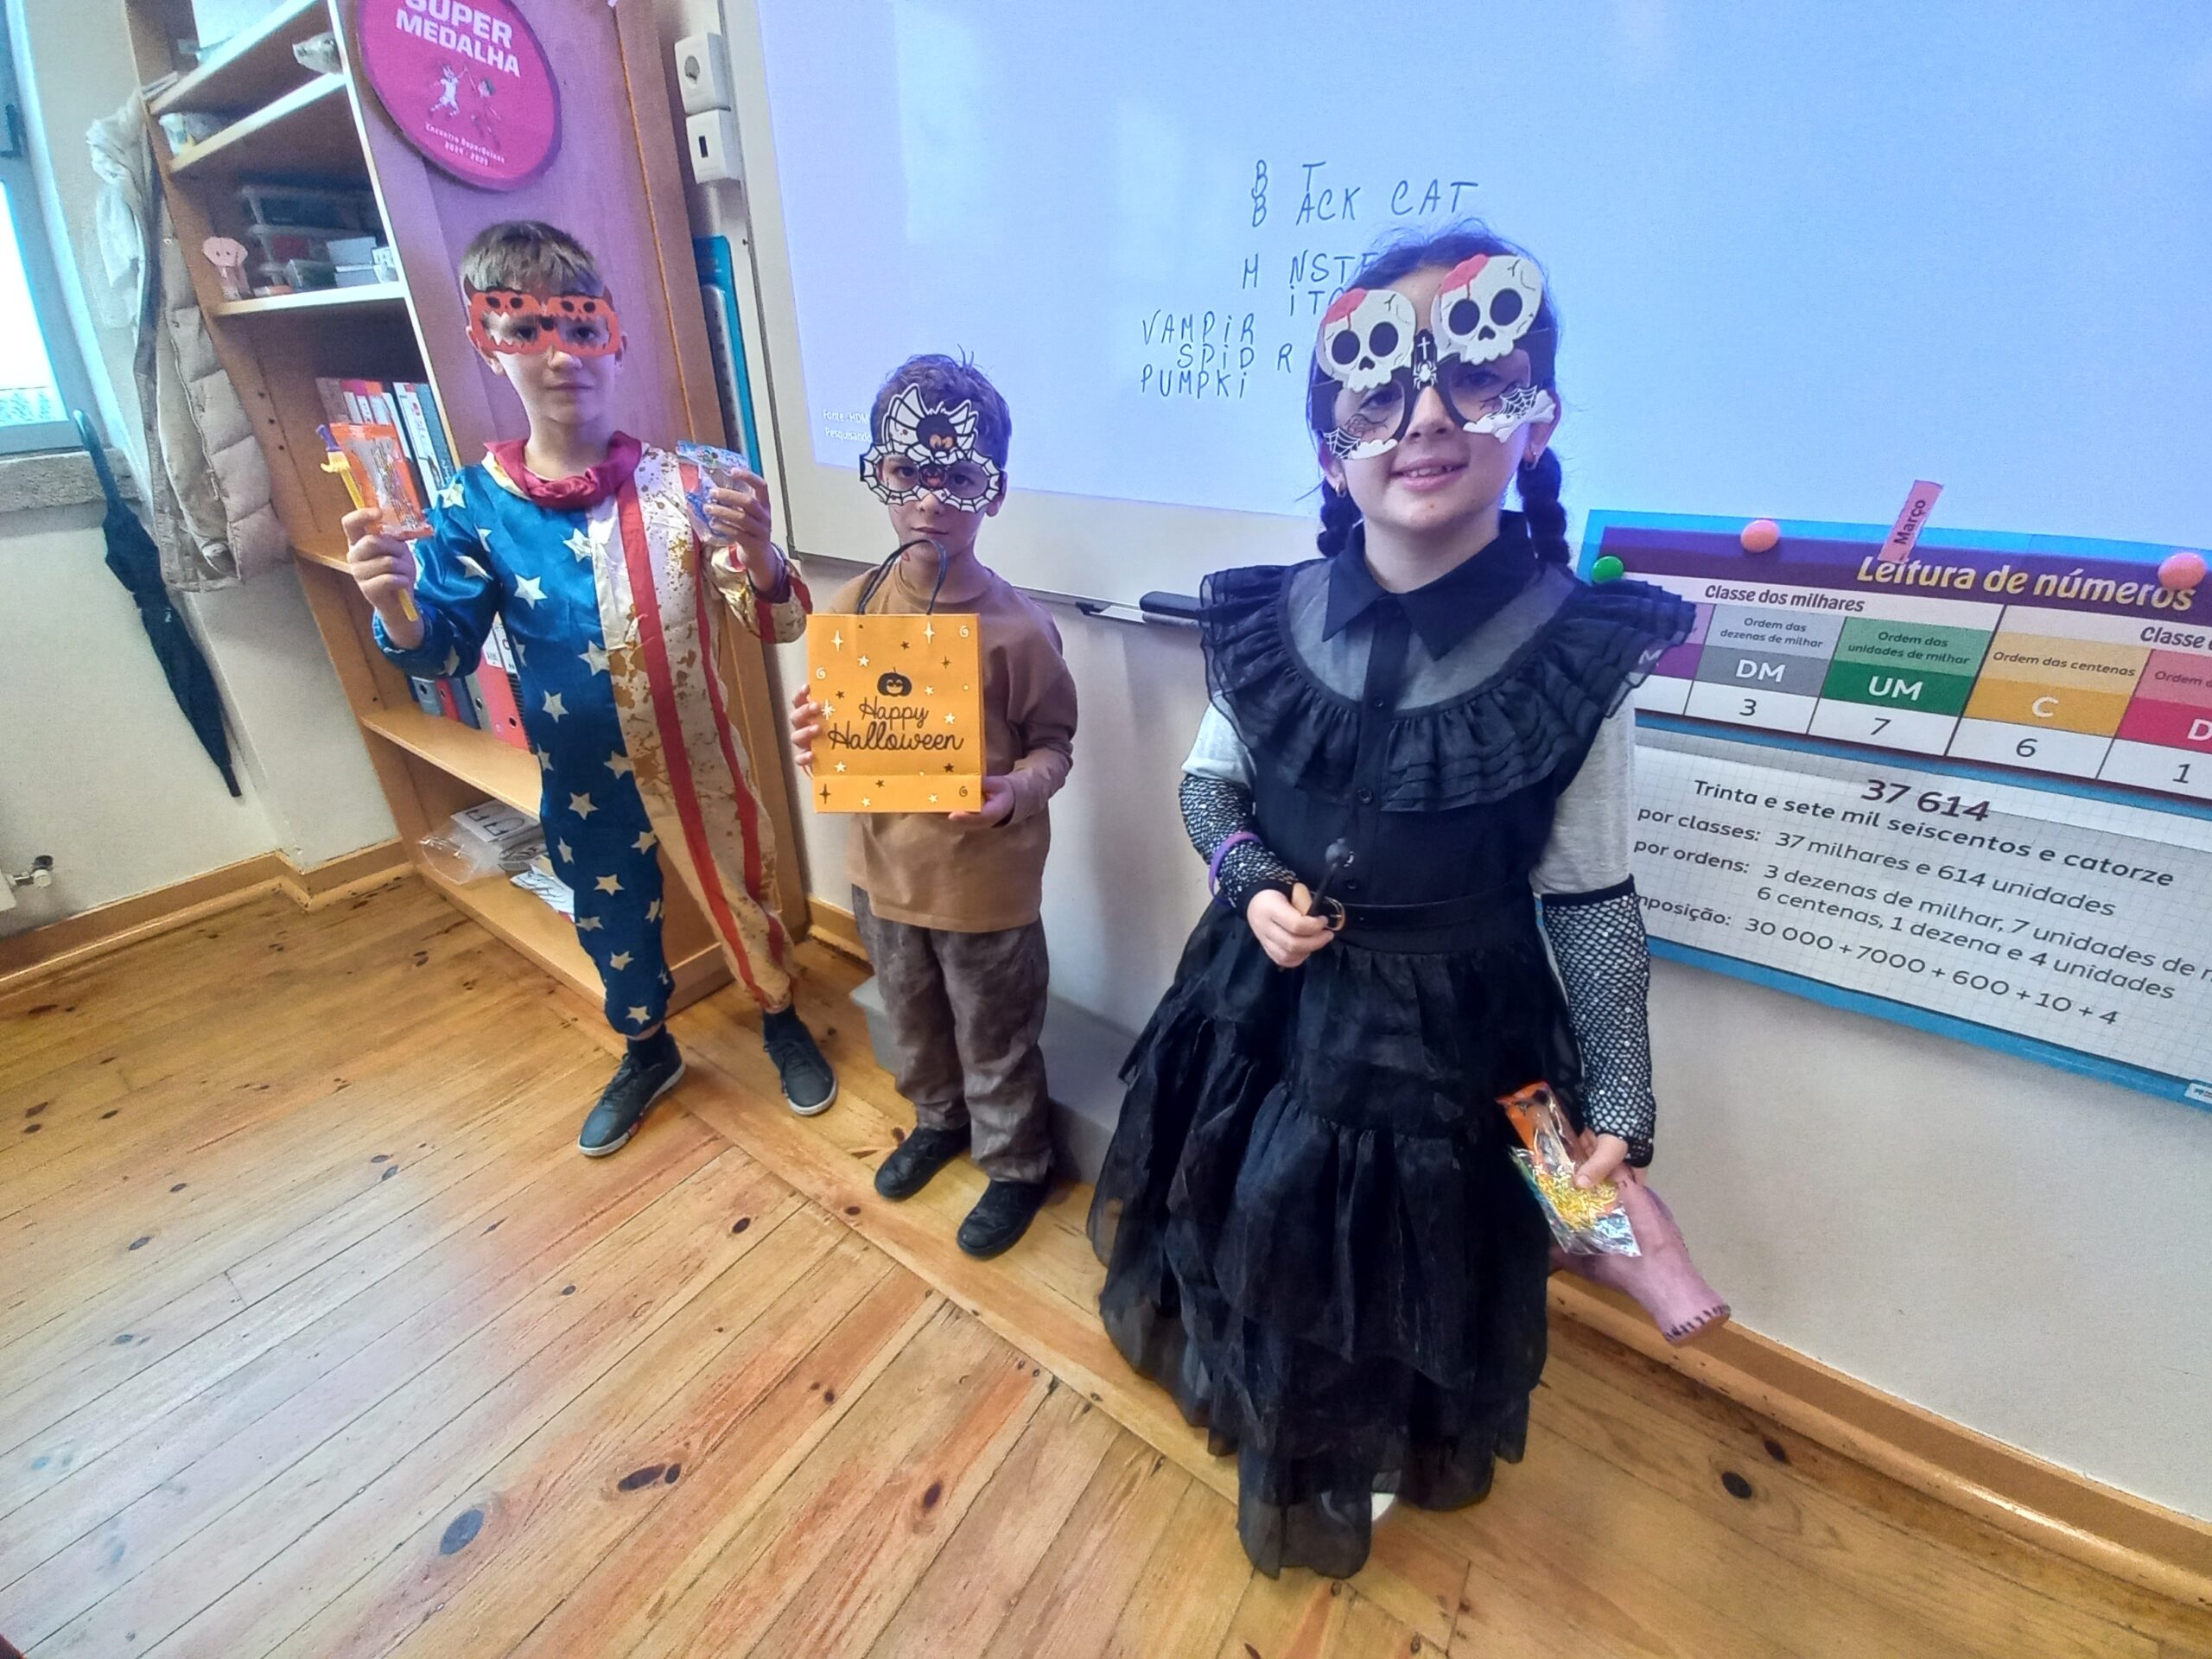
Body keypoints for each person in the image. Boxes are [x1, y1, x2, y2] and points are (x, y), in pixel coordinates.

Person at [1088, 226, 1694, 1577]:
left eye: (1474, 377)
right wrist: (1249, 881)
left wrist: (1622, 1093)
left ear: (1536, 419)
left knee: (1396, 1259)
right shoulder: (1270, 618)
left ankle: (1356, 1453)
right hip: (1260, 1004)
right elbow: (1210, 788)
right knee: (1249, 1213)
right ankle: (1265, 1407)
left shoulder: (1577, 652)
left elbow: (1591, 897)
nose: (1425, 416)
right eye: (1381, 390)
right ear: (1331, 449)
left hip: (1453, 1039)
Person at [347, 219, 836, 1156]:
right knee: (610, 917)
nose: (560, 354)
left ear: (615, 338)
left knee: (746, 892)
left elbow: (774, 623)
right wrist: (397, 609)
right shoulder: (469, 503)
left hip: (699, 756)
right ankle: (647, 1050)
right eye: (524, 329)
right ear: (488, 346)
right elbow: (443, 655)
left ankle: (778, 1016)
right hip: (579, 776)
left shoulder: (695, 481)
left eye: (580, 326)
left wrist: (762, 554)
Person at [791, 354, 1077, 1258]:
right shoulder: (852, 608)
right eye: (907, 472)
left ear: (993, 492)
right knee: (912, 1024)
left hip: (984, 889)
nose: (928, 500)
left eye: (956, 478)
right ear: (879, 473)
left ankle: (1017, 1164)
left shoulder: (1020, 629)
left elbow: (1055, 747)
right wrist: (815, 736)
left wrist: (1014, 791)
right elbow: (836, 734)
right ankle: (937, 1121)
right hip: (882, 876)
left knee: (997, 1036)